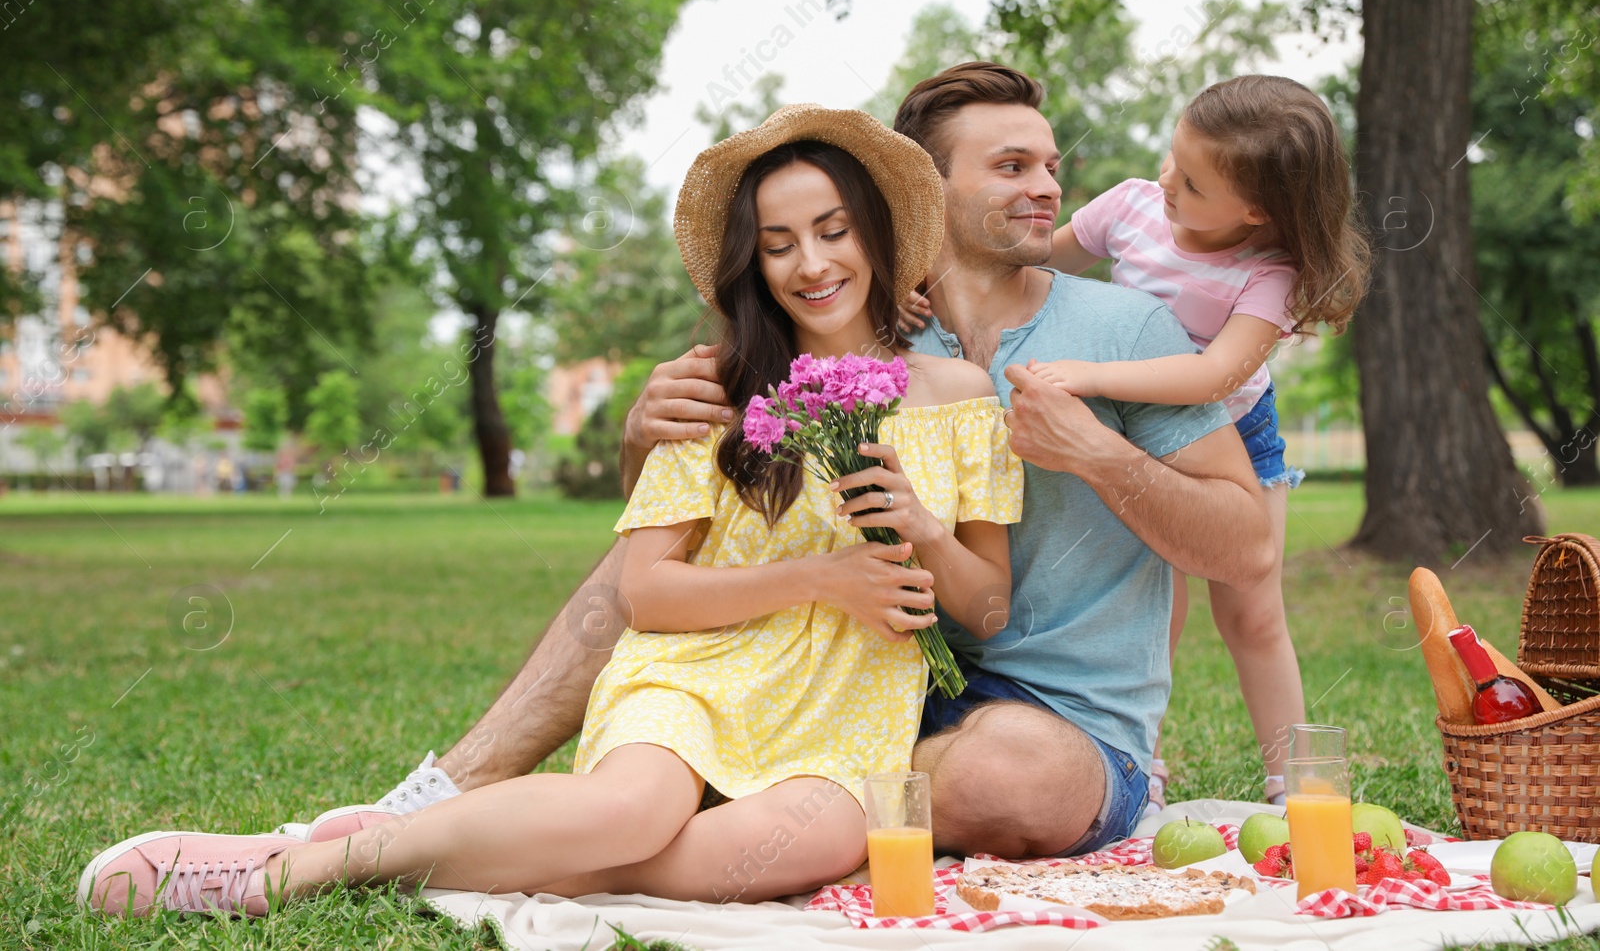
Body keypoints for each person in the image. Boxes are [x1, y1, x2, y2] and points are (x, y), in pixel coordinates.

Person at [78, 106, 1024, 917]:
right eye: (778, 244)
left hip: (846, 718)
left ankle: (428, 842)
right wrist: (822, 576)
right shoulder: (714, 392)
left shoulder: (962, 395)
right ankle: (299, 870)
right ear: (752, 265)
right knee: (630, 814)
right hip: (692, 679)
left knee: (778, 852)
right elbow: (647, 594)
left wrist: (927, 532)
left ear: (876, 235)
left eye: (832, 230)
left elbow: (986, 610)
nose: (810, 263)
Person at [906, 75, 1369, 810]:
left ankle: (1290, 780)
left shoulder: (1139, 322)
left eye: (1050, 168)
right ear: (921, 187)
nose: (1047, 188)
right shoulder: (870, 327)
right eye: (1011, 166)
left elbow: (1215, 387)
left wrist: (1091, 445)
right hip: (899, 686)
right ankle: (862, 781)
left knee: (1250, 613)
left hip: (1214, 404)